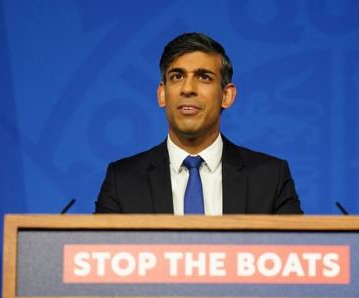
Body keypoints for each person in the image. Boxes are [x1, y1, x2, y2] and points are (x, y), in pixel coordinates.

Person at [95, 32, 302, 215]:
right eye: (177, 76)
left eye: (203, 77)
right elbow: (100, 254)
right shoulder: (122, 180)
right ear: (162, 94)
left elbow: (295, 252)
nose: (187, 89)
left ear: (227, 96)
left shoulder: (270, 177)